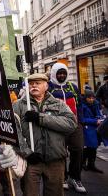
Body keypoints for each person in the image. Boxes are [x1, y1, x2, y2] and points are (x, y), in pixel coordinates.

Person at [13, 73, 77, 196]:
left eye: (38, 83)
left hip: (55, 160)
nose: (34, 86)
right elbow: (14, 133)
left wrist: (41, 118)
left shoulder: (58, 104)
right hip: (31, 161)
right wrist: (27, 153)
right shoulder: (18, 105)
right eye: (31, 83)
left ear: (46, 86)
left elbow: (71, 124)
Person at [48, 63, 86, 193]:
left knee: (78, 149)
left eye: (64, 73)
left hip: (75, 125)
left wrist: (80, 121)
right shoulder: (49, 88)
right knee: (61, 152)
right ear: (54, 73)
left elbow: (80, 104)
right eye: (59, 73)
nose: (62, 75)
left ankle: (75, 177)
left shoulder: (72, 87)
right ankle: (62, 177)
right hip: (57, 125)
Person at [80, 90, 104, 173]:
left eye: (93, 98)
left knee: (95, 146)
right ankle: (83, 163)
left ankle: (91, 164)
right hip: (88, 127)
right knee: (89, 146)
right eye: (89, 98)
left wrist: (99, 118)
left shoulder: (96, 103)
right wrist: (94, 121)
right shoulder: (82, 105)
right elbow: (81, 119)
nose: (91, 99)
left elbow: (99, 114)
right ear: (85, 98)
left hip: (96, 127)